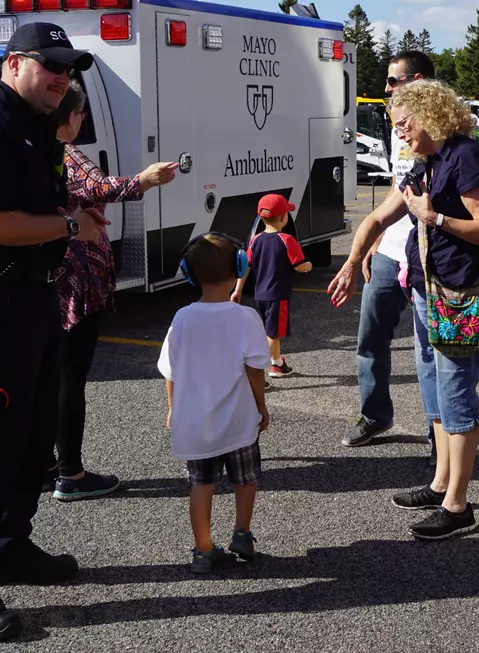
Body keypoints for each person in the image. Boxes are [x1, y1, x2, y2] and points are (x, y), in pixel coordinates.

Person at [0, 22, 109, 642]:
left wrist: (67, 220)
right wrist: (69, 228)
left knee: (35, 438)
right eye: (51, 65)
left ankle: (11, 544)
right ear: (14, 64)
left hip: (36, 300)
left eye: (69, 68)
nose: (63, 76)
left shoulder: (40, 126)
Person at [328, 79, 479, 540]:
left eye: (404, 124)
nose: (400, 134)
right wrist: (350, 261)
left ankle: (459, 506)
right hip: (427, 289)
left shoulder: (466, 156)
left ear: (432, 114)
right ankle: (441, 482)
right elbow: (378, 217)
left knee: (457, 393)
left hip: (459, 292)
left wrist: (434, 218)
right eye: (396, 126)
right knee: (437, 391)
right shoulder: (427, 161)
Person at [46, 79, 178, 501]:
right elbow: (101, 186)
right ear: (68, 117)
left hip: (49, 276)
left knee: (50, 374)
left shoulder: (35, 153)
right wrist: (146, 179)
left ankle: (44, 463)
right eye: (81, 112)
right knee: (70, 375)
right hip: (78, 281)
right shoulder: (66, 153)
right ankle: (71, 472)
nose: (83, 119)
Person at [332, 51, 439, 465]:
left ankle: (438, 430)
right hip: (389, 253)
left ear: (416, 80)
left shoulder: (441, 135)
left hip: (429, 260)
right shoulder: (400, 130)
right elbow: (393, 198)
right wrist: (372, 243)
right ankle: (375, 415)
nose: (386, 88)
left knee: (429, 351)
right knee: (370, 338)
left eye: (393, 81)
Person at [158, 233, 271, 574]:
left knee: (201, 484)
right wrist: (261, 407)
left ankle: (203, 550)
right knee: (246, 478)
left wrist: (174, 409)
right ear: (240, 267)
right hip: (238, 421)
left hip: (195, 423)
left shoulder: (182, 318)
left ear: (188, 274)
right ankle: (242, 534)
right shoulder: (245, 318)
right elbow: (254, 370)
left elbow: (171, 371)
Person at [231, 194, 312, 382]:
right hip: (278, 295)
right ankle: (256, 373)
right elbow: (299, 266)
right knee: (272, 334)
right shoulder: (287, 240)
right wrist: (308, 266)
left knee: (271, 332)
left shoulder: (256, 240)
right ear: (284, 218)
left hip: (261, 294)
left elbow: (246, 266)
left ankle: (277, 363)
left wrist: (237, 290)